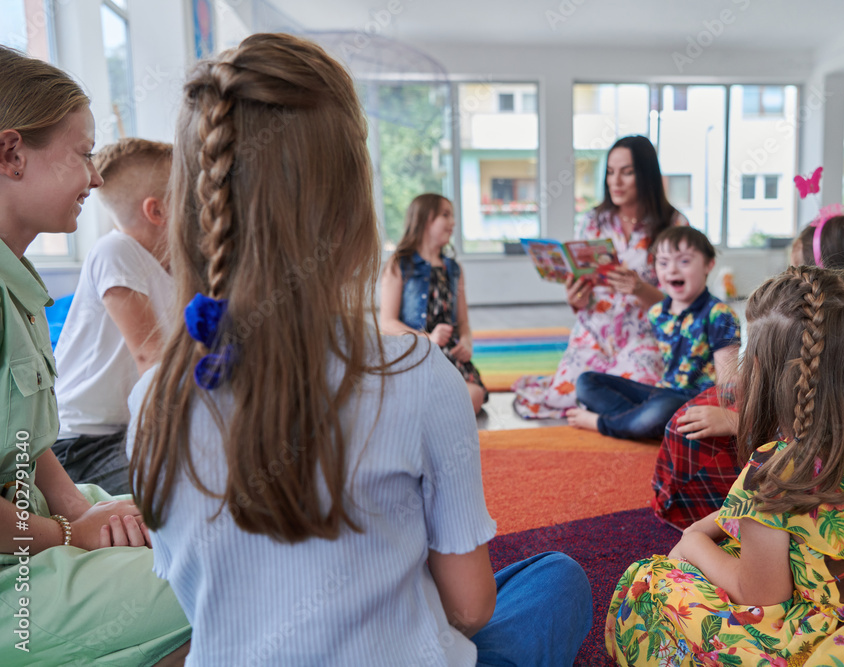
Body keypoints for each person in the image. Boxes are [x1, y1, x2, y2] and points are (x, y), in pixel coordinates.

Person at [128, 33, 592, 666]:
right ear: (350, 217)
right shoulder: (420, 374)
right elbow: (471, 608)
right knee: (556, 578)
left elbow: (202, 596)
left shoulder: (150, 402)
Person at [607, 266, 844, 666]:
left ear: (771, 377)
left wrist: (695, 539)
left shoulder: (774, 468)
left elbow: (759, 596)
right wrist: (730, 517)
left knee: (648, 585)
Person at [0, 46, 190, 664]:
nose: (97, 176)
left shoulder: (17, 283)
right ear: (11, 154)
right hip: (17, 572)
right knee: (219, 575)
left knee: (208, 533)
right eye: (83, 155)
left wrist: (86, 510)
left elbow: (26, 442)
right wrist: (68, 534)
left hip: (36, 521)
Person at [653, 208, 844, 528]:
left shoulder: (823, 364)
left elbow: (806, 432)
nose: (789, 279)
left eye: (798, 271)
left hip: (798, 498)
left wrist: (736, 421)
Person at [512, 135, 686, 419]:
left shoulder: (674, 225)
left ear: (646, 174)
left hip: (644, 335)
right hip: (594, 330)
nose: (615, 181)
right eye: (610, 172)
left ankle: (603, 414)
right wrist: (575, 298)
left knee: (638, 394)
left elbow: (684, 303)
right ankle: (607, 412)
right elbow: (584, 292)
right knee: (560, 397)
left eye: (627, 172)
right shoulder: (593, 222)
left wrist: (640, 289)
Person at [52, 138, 174, 495]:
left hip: (126, 429)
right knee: (172, 494)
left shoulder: (176, 264)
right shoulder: (115, 250)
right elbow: (151, 357)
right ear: (157, 212)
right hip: (80, 442)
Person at [568, 226, 740, 440]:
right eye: (663, 262)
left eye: (684, 261)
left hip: (695, 400)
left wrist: (726, 415)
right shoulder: (658, 312)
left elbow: (728, 380)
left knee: (661, 410)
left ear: (708, 265)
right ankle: (643, 424)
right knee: (586, 382)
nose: (672, 270)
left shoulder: (719, 314)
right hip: (663, 392)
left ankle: (604, 423)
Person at [380, 193, 487, 414]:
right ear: (425, 219)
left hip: (448, 356)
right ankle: (434, 408)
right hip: (413, 352)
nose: (453, 223)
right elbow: (387, 323)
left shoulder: (454, 269)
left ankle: (428, 409)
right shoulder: (399, 264)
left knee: (475, 396)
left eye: (453, 216)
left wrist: (466, 342)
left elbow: (463, 322)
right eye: (445, 215)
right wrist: (428, 339)